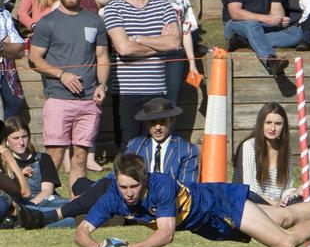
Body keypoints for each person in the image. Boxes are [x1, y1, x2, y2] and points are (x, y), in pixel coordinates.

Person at [73, 153, 310, 247]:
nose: (128, 194)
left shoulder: (161, 186)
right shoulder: (113, 195)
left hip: (220, 204)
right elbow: (82, 230)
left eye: (134, 188)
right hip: (208, 223)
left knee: (284, 243)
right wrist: (92, 245)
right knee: (284, 216)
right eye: (123, 187)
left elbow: (166, 234)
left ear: (144, 181)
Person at [18, 97, 200, 229]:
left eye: (162, 122)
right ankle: (112, 215)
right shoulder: (136, 144)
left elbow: (187, 187)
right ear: (146, 124)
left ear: (171, 121)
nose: (158, 127)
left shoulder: (187, 150)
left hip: (161, 203)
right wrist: (94, 190)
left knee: (98, 193)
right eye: (153, 123)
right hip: (129, 196)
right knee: (83, 184)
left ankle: (48, 216)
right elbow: (116, 175)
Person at [28, 0, 109, 195]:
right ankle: (46, 201)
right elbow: (35, 58)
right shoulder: (47, 23)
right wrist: (61, 74)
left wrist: (102, 85)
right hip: (58, 99)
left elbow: (102, 57)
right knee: (55, 155)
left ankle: (76, 204)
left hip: (89, 100)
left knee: (81, 156)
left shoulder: (95, 21)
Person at [103, 0, 180, 149]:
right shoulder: (114, 8)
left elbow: (174, 43)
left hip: (157, 90)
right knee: (128, 149)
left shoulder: (163, 6)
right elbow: (123, 48)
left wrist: (139, 39)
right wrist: (158, 44)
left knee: (156, 148)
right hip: (126, 93)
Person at [3, 116, 74, 228]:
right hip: (21, 207)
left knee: (74, 205)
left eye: (24, 137)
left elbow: (47, 190)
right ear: (6, 141)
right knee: (70, 218)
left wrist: (31, 207)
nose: (21, 142)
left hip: (45, 201)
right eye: (16, 138)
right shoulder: (4, 164)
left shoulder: (43, 159)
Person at [148, 0, 199, 106]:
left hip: (175, 55)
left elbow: (186, 30)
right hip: (151, 53)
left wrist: (192, 64)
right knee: (151, 102)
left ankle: (170, 130)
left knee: (171, 102)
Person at [232, 103, 295, 206]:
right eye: (268, 123)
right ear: (261, 124)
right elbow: (250, 189)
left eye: (278, 124)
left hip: (278, 207)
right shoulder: (249, 146)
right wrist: (273, 203)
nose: (273, 128)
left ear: (284, 126)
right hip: (252, 205)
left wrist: (290, 195)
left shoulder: (287, 151)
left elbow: (287, 187)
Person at [0, 0, 28, 119]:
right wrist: (5, 44)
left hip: (4, 63)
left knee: (16, 102)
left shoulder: (4, 14)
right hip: (5, 56)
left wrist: (3, 46)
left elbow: (18, 49)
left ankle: (5, 136)